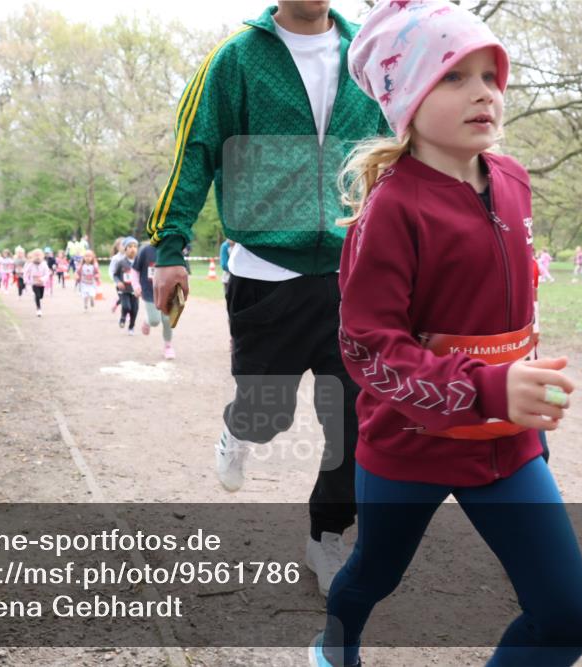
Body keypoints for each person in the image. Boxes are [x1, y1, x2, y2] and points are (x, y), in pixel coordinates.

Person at [309, 3, 582, 666]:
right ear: (406, 98)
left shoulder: (516, 180)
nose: (484, 93)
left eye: (490, 76)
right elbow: (368, 349)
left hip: (510, 443)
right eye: (454, 77)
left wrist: (519, 378)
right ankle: (336, 643)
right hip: (410, 446)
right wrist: (489, 384)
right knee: (373, 575)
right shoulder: (390, 210)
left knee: (568, 617)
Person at [146, 0, 387, 596]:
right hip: (266, 271)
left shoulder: (369, 57)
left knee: (355, 419)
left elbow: (405, 148)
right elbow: (195, 150)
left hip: (353, 271)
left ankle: (326, 536)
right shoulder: (236, 59)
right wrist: (170, 249)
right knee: (268, 415)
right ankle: (239, 430)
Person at [132, 241, 175, 359]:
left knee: (167, 319)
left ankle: (168, 346)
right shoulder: (145, 250)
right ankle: (148, 321)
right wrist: (136, 285)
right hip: (149, 291)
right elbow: (135, 270)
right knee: (155, 321)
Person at [114, 238, 140, 334]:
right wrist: (118, 282)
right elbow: (115, 275)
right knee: (126, 307)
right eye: (130, 247)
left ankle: (131, 327)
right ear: (125, 249)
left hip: (135, 291)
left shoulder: (139, 262)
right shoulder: (121, 262)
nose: (132, 249)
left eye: (135, 247)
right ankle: (123, 317)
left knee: (135, 310)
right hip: (124, 290)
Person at [24, 248, 52, 317]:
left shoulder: (44, 264)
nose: (37, 257)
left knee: (41, 296)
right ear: (33, 256)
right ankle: (38, 309)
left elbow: (47, 274)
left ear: (42, 256)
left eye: (39, 255)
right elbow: (26, 272)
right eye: (35, 255)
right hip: (34, 283)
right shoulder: (30, 264)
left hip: (42, 283)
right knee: (37, 295)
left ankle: (37, 298)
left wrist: (42, 279)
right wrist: (26, 280)